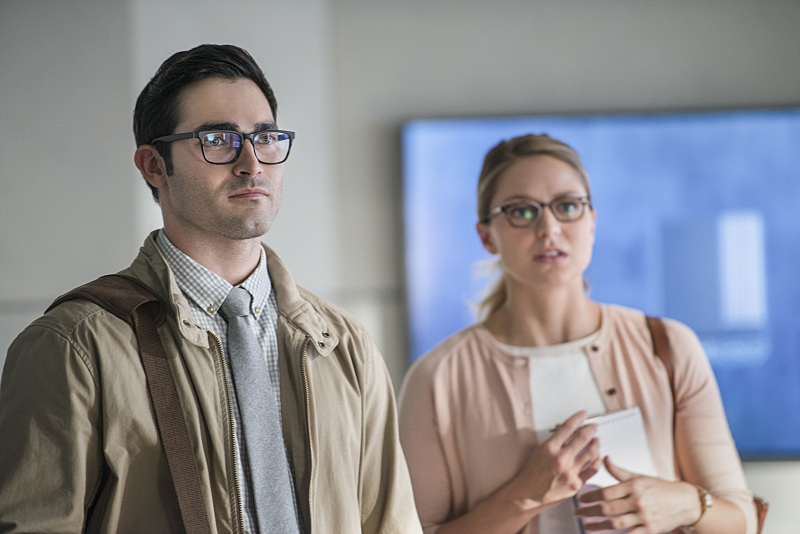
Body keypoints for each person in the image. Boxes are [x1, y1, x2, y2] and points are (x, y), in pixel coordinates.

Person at [0, 44, 421, 534]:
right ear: (153, 166)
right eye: (218, 140)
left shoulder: (344, 344)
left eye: (266, 138)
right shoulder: (74, 346)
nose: (251, 163)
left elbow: (390, 524)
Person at [398, 134, 757, 534]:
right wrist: (523, 497)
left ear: (592, 222)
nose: (549, 228)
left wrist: (685, 504)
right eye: (521, 212)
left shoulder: (669, 347)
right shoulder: (436, 380)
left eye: (567, 206)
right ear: (486, 236)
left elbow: (740, 519)